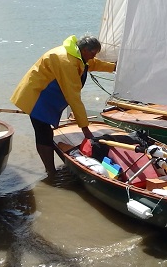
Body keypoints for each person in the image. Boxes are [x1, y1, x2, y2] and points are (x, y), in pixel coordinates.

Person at [10, 35, 116, 176]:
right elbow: (73, 97)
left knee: (46, 133)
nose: (94, 56)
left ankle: (51, 172)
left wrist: (114, 67)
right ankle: (51, 172)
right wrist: (85, 128)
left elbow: (93, 64)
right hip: (37, 96)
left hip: (47, 97)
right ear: (84, 50)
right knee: (43, 133)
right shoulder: (66, 61)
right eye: (93, 53)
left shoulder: (77, 55)